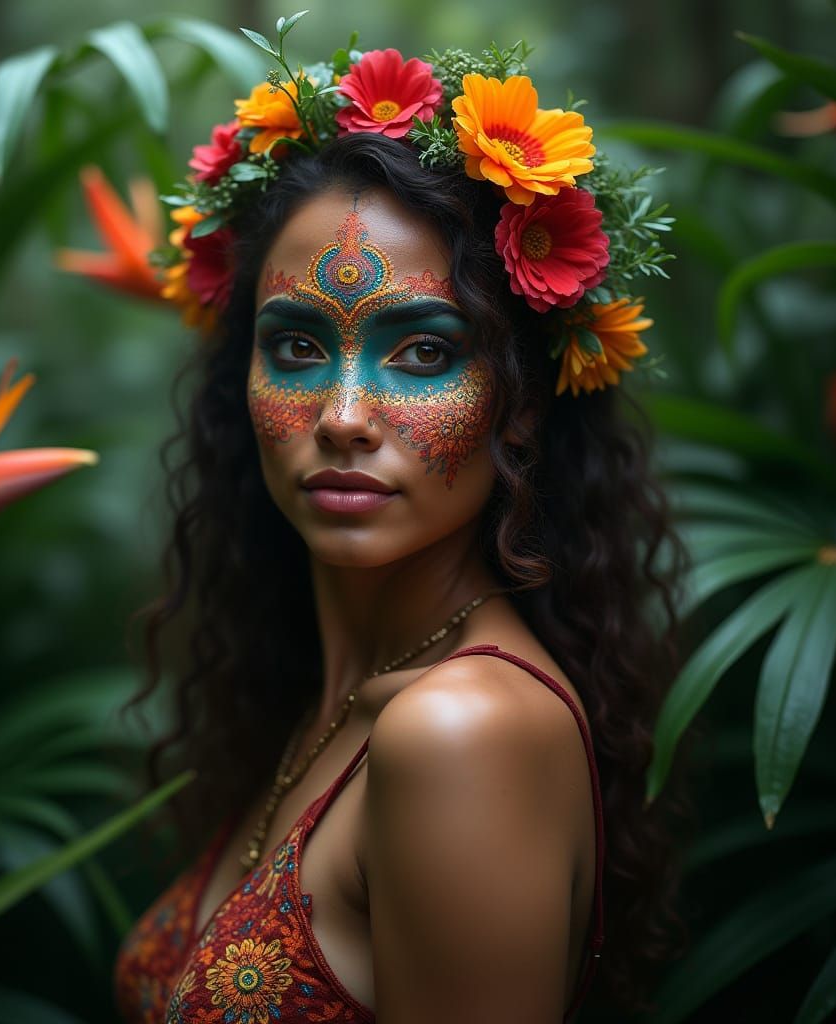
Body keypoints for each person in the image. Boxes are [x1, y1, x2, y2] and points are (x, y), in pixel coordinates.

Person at [106, 30, 692, 1024]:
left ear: (522, 401)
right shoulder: (335, 691)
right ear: (238, 380)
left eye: (421, 353)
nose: (340, 415)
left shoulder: (460, 732)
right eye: (293, 345)